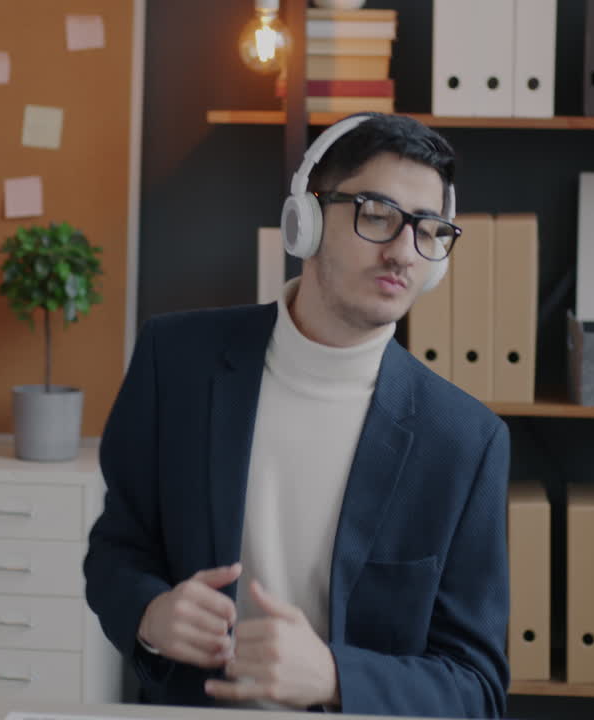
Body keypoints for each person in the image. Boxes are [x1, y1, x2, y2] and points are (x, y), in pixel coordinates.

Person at [83, 112, 510, 718]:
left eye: (428, 230)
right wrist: (150, 613)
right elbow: (116, 550)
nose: (402, 253)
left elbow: (478, 687)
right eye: (377, 214)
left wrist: (337, 678)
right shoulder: (175, 362)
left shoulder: (465, 442)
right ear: (305, 219)